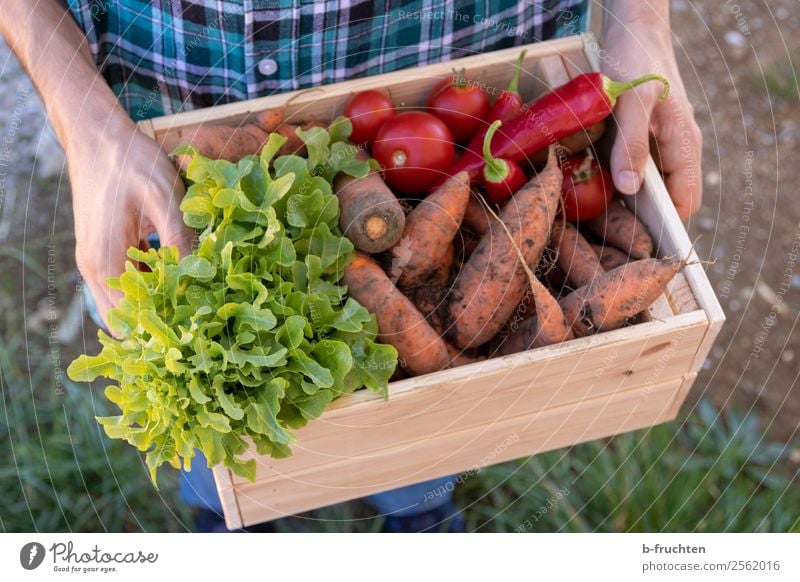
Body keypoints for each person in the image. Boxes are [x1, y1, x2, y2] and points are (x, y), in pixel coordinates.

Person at [0, 0, 702, 532]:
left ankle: (419, 509)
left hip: (467, 92)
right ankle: (234, 518)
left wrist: (640, 25)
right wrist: (86, 125)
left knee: (428, 444)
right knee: (224, 463)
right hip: (156, 165)